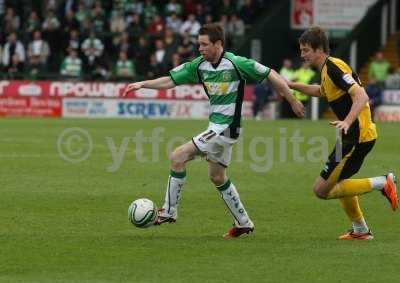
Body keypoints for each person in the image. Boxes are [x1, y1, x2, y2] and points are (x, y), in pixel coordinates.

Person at [124, 23, 304, 239]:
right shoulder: (199, 66)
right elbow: (170, 80)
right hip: (216, 127)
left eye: (204, 44)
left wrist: (292, 99)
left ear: (219, 44)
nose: (200, 48)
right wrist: (142, 84)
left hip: (226, 127)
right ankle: (243, 223)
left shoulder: (236, 63)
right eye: (198, 44)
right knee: (217, 176)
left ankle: (169, 211)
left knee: (178, 156)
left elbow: (271, 73)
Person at [287, 26, 398, 240]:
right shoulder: (327, 71)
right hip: (352, 136)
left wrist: (347, 121)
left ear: (320, 49)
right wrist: (290, 85)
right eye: (301, 50)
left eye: (306, 50)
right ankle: (360, 230)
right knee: (342, 181)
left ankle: (384, 182)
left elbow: (362, 96)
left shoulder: (334, 67)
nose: (302, 55)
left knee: (321, 190)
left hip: (357, 137)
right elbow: (320, 91)